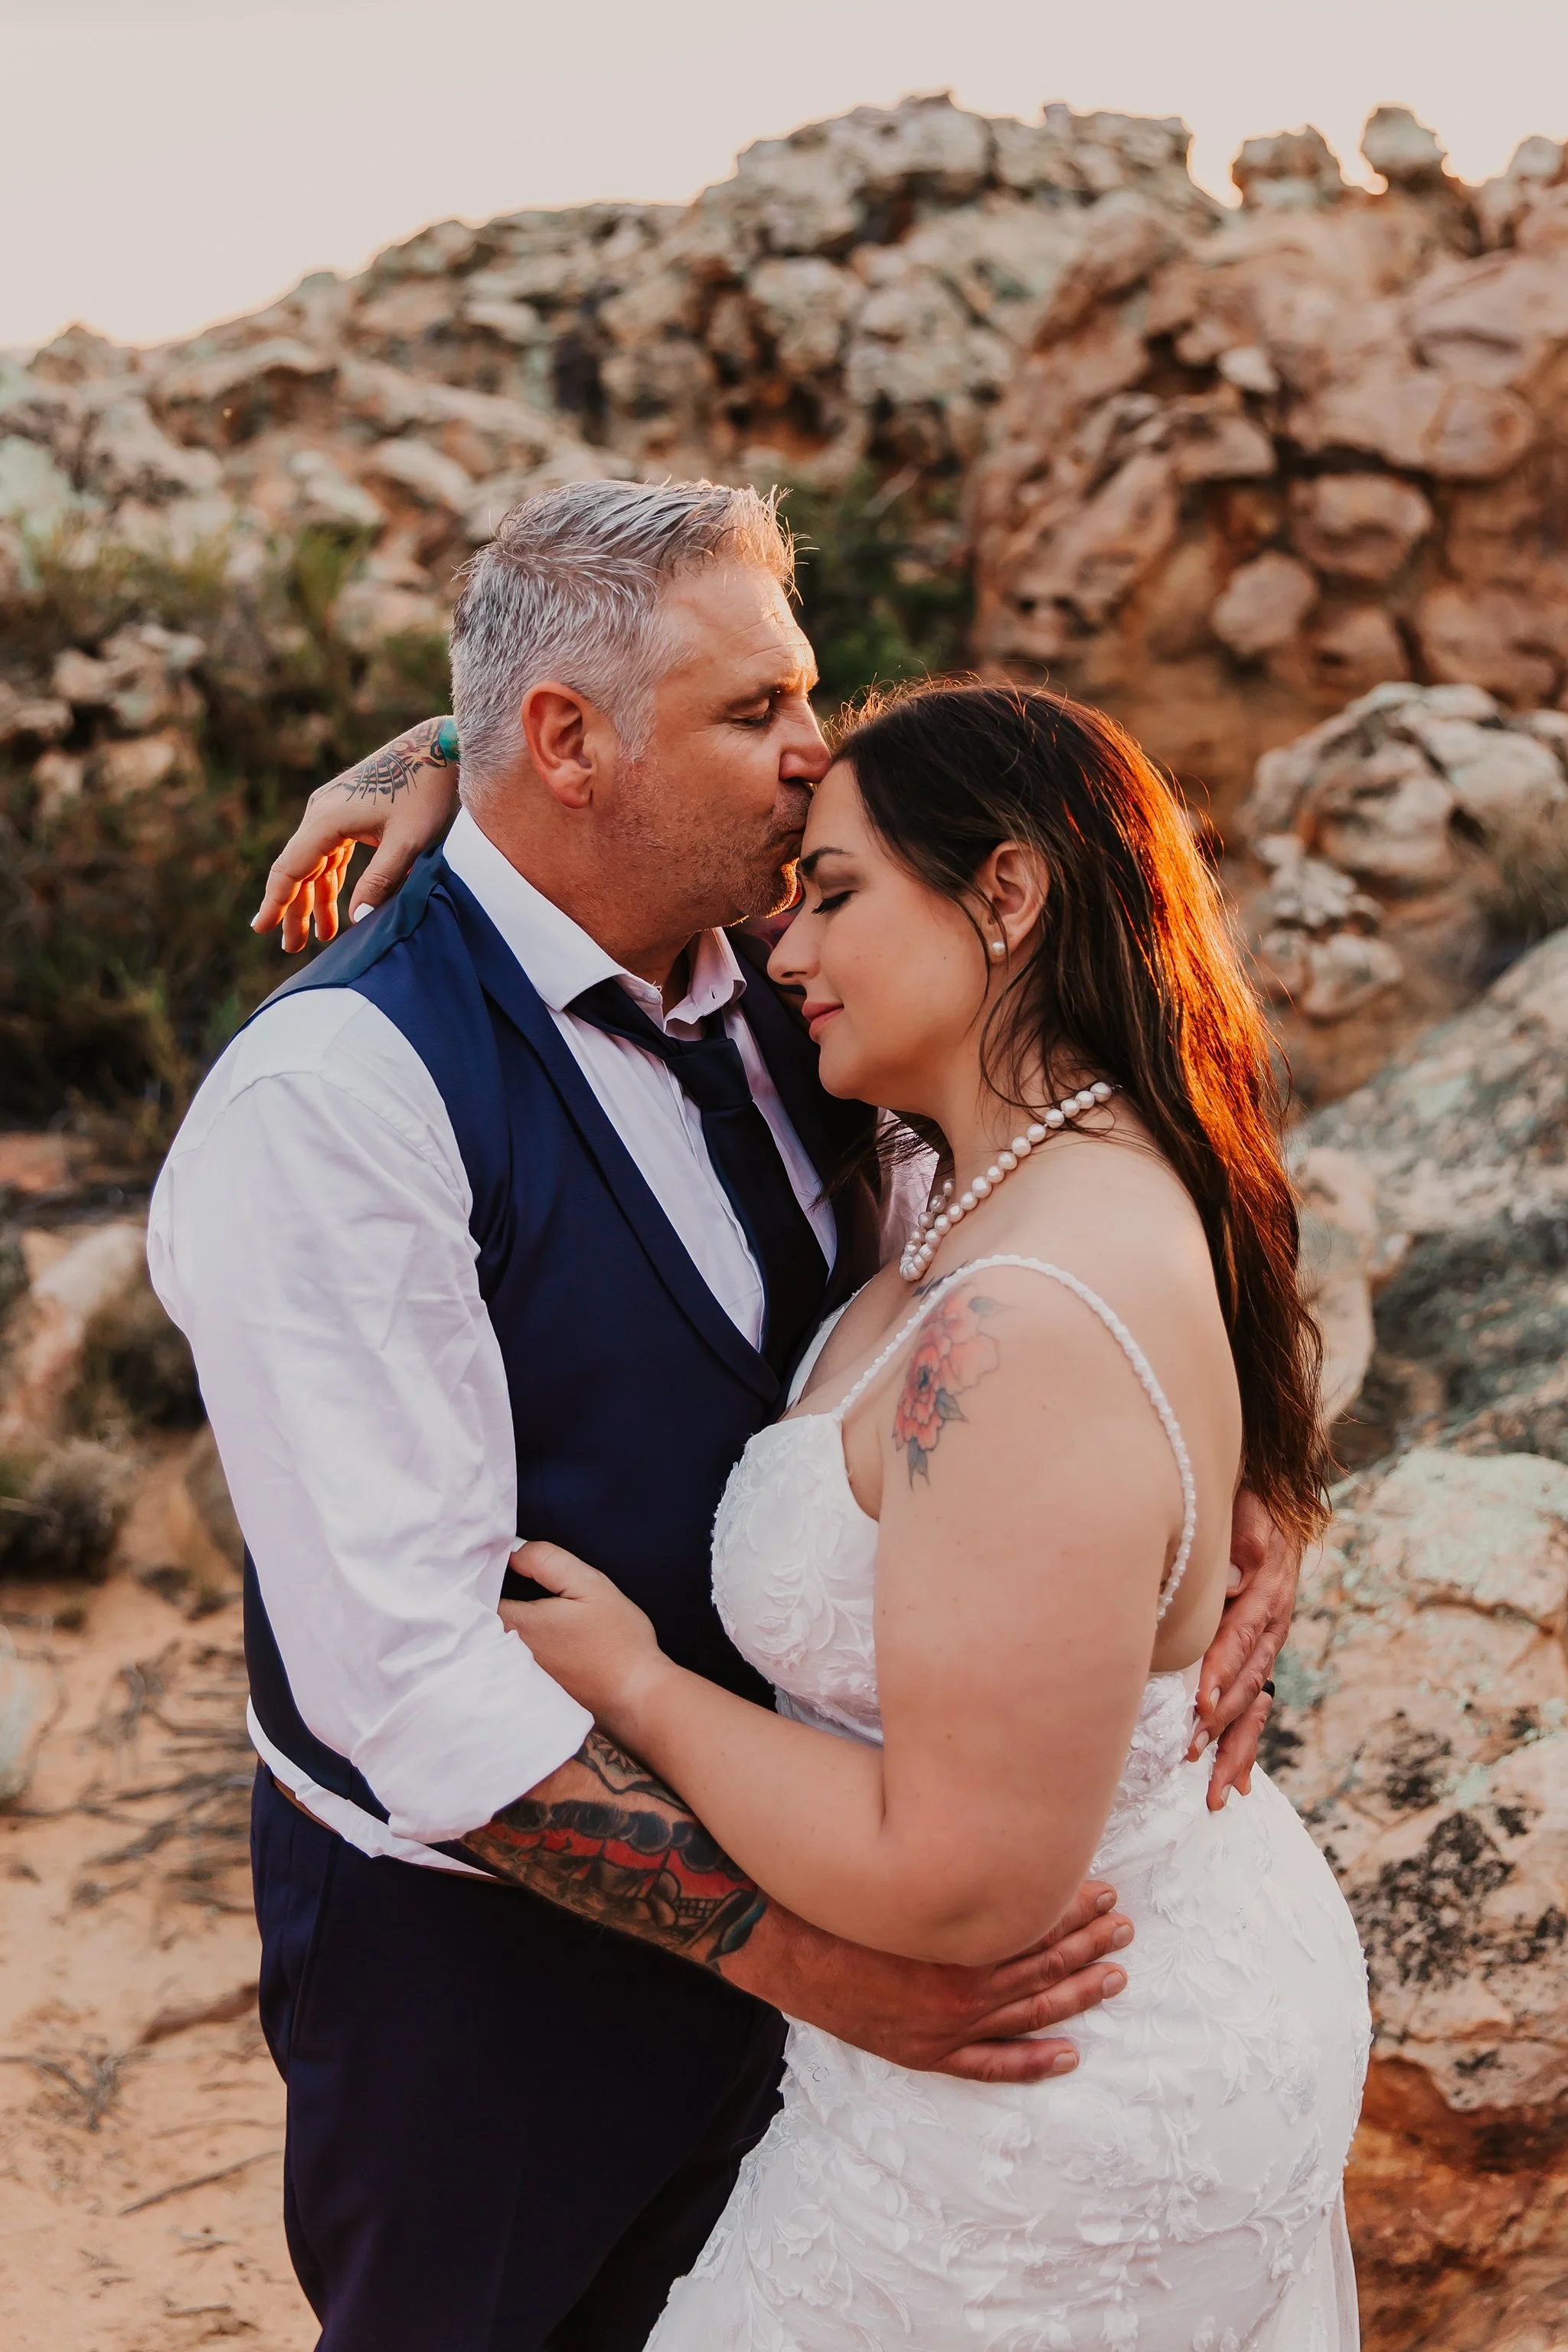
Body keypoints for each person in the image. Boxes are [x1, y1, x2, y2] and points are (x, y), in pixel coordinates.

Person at [152, 480, 1302, 2352]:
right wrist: (828, 1967)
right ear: (568, 744)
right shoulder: (338, 1101)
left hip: (880, 1960)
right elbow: (410, 1680)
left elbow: (1112, 1164)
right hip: (501, 2007)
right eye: (756, 713)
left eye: (811, 698)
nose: (811, 759)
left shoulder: (819, 983)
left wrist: (1242, 1489)